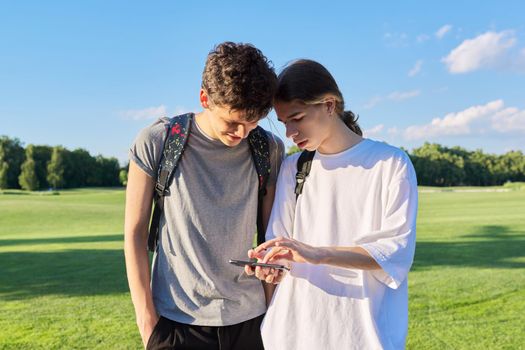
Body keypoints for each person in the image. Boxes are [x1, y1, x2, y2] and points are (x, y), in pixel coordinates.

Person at [247, 59, 418, 349]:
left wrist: (316, 253)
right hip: (292, 336)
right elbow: (283, 251)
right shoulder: (292, 168)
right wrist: (270, 264)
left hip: (363, 338)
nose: (289, 132)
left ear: (329, 105)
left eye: (297, 117)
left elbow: (394, 253)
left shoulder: (390, 163)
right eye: (284, 122)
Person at [124, 42, 284, 350]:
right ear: (204, 98)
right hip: (176, 322)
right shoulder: (158, 141)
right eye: (232, 122)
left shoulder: (269, 148)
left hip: (250, 321)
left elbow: (271, 236)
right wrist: (147, 324)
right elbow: (134, 234)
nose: (242, 133)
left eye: (253, 122)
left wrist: (270, 312)